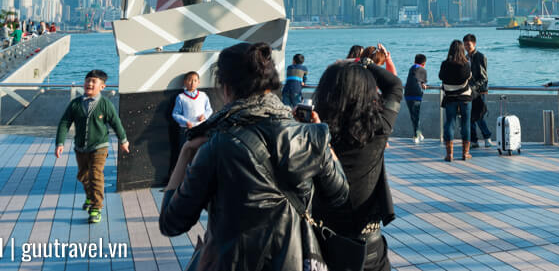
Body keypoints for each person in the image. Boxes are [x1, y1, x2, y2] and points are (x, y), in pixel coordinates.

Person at [160, 42, 349, 270]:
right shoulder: (309, 135)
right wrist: (321, 139)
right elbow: (339, 194)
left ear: (226, 87)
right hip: (294, 262)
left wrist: (186, 152)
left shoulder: (217, 144)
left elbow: (171, 222)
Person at [312, 54, 404, 271]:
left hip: (321, 244)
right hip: (367, 245)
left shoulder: (313, 132)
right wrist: (365, 64)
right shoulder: (378, 128)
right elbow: (395, 86)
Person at [55, 69, 130, 224]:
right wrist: (60, 143)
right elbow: (64, 123)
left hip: (99, 147)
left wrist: (123, 140)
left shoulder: (105, 104)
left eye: (93, 81)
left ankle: (96, 207)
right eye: (87, 80)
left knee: (96, 175)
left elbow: (116, 123)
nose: (89, 84)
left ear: (102, 86)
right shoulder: (75, 104)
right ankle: (90, 196)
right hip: (80, 148)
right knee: (83, 175)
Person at [439, 40, 473, 161]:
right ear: (462, 49)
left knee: (450, 123)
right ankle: (465, 153)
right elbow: (468, 76)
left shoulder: (445, 64)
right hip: (465, 97)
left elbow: (441, 77)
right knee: (465, 124)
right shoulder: (466, 64)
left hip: (450, 98)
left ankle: (449, 154)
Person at [464, 33, 493, 148]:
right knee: (470, 116)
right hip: (469, 92)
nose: (467, 47)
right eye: (465, 45)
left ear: (474, 44)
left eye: (469, 45)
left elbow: (484, 77)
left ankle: (487, 137)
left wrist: (474, 87)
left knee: (479, 116)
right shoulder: (465, 58)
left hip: (480, 92)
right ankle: (474, 140)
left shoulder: (480, 56)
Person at [171, 71, 212, 147]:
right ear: (185, 82)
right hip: (187, 130)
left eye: (195, 80)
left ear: (198, 82)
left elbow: (209, 110)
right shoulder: (181, 97)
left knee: (201, 150)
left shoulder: (203, 95)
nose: (192, 83)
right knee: (187, 151)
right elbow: (175, 113)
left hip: (202, 128)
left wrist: (205, 116)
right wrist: (185, 122)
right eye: (190, 80)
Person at [405, 54, 428, 143]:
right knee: (416, 115)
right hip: (416, 94)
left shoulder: (411, 68)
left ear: (414, 61)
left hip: (407, 94)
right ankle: (416, 134)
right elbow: (423, 82)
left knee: (413, 115)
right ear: (424, 63)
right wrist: (423, 85)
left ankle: (418, 133)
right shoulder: (423, 70)